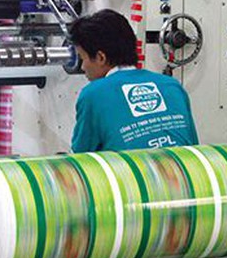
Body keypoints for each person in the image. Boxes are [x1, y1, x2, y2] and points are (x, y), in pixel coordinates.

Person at [69, 9, 199, 153]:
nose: (82, 67)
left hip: (130, 169)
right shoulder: (172, 85)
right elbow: (193, 149)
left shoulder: (93, 94)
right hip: (184, 167)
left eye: (82, 58)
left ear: (101, 58)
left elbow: (80, 158)